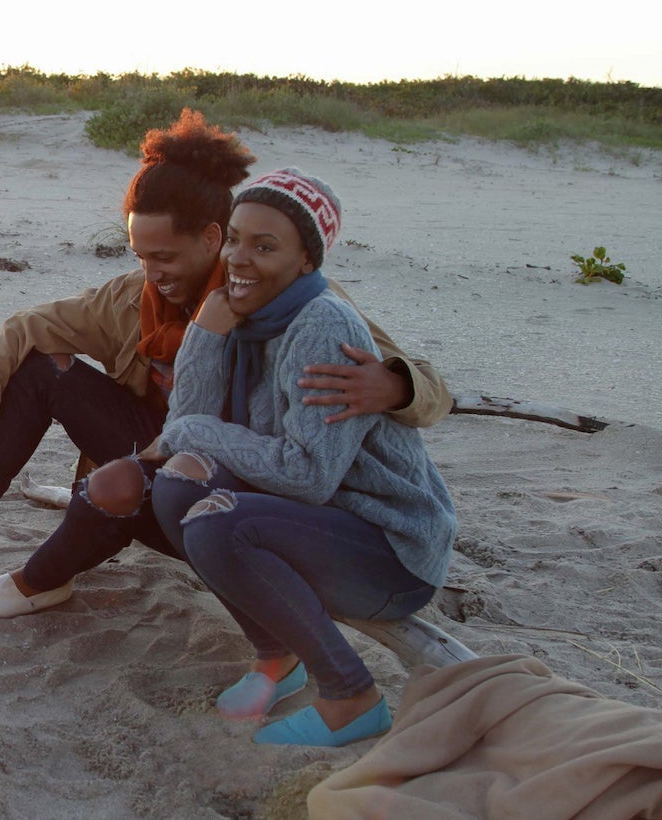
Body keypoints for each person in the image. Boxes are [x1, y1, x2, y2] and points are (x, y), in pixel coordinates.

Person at [0, 110, 450, 618]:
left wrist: (395, 385)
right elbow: (22, 329)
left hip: (232, 485)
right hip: (162, 449)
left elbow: (433, 389)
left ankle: (47, 572)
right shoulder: (131, 297)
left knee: (137, 476)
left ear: (212, 238)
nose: (151, 272)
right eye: (139, 254)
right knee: (42, 368)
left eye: (165, 256)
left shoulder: (301, 304)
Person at [150, 168, 457, 747]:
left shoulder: (321, 325)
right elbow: (184, 432)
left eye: (266, 247)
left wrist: (189, 429)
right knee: (174, 488)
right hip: (324, 524)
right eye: (236, 238)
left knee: (217, 525)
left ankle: (351, 696)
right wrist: (207, 334)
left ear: (307, 262)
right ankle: (276, 652)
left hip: (392, 548)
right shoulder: (248, 317)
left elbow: (306, 475)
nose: (240, 258)